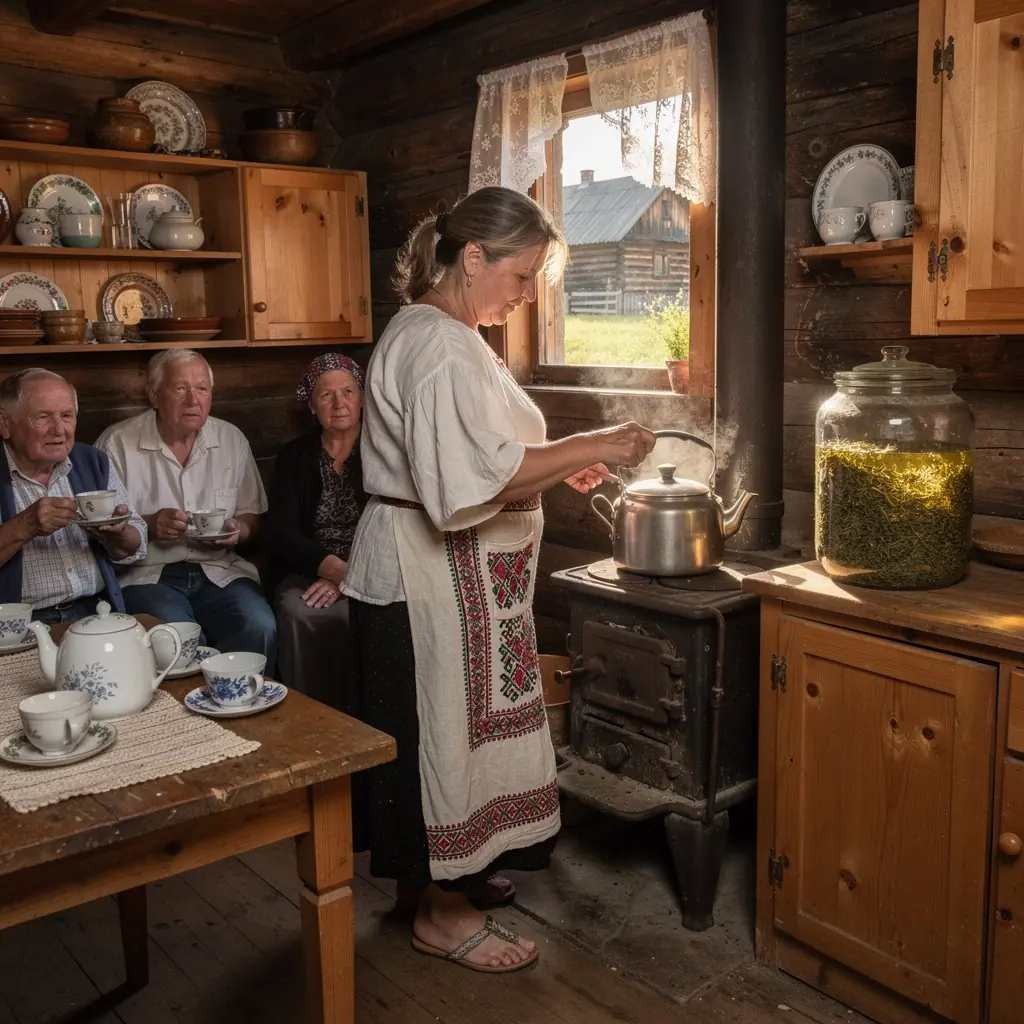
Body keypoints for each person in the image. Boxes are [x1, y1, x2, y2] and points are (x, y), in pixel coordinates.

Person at [343, 186, 657, 973]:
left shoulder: (449, 333)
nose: (524, 296)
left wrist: (554, 466)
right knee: (441, 741)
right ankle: (442, 912)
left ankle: (438, 884)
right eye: (520, 277)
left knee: (443, 741)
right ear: (473, 257)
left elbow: (487, 452)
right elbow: (464, 486)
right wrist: (596, 443)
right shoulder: (440, 345)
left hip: (446, 581)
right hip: (424, 581)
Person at [97, 350, 277, 666]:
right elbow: (101, 528)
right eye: (180, 388)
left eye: (202, 388)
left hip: (220, 570)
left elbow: (251, 515)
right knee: (173, 639)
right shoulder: (117, 443)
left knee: (258, 625)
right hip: (147, 575)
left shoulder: (230, 438)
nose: (193, 400)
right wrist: (149, 525)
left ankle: (244, 696)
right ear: (154, 395)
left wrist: (237, 531)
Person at [0, 368, 146, 623]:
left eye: (67, 415)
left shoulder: (93, 461)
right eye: (43, 417)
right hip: (22, 625)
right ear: (4, 424)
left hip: (99, 610)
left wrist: (117, 533)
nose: (59, 429)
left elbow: (137, 544)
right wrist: (25, 526)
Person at [267, 353, 367, 704]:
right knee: (300, 612)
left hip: (371, 571)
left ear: (362, 398)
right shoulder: (294, 456)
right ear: (312, 405)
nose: (339, 403)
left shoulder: (382, 451)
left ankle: (362, 719)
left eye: (348, 392)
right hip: (307, 571)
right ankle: (309, 714)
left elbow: (393, 523)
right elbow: (281, 531)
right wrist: (330, 569)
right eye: (326, 395)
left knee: (366, 616)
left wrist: (350, 575)